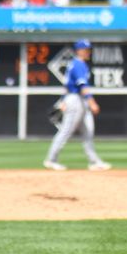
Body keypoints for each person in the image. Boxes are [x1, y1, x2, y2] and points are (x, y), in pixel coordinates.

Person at [43, 39, 111, 171]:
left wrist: (63, 100)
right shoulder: (78, 64)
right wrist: (92, 102)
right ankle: (51, 159)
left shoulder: (77, 64)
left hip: (77, 99)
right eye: (86, 49)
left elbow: (67, 85)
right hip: (76, 100)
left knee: (88, 131)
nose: (88, 52)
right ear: (79, 50)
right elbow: (82, 86)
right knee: (66, 131)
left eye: (88, 49)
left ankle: (94, 161)